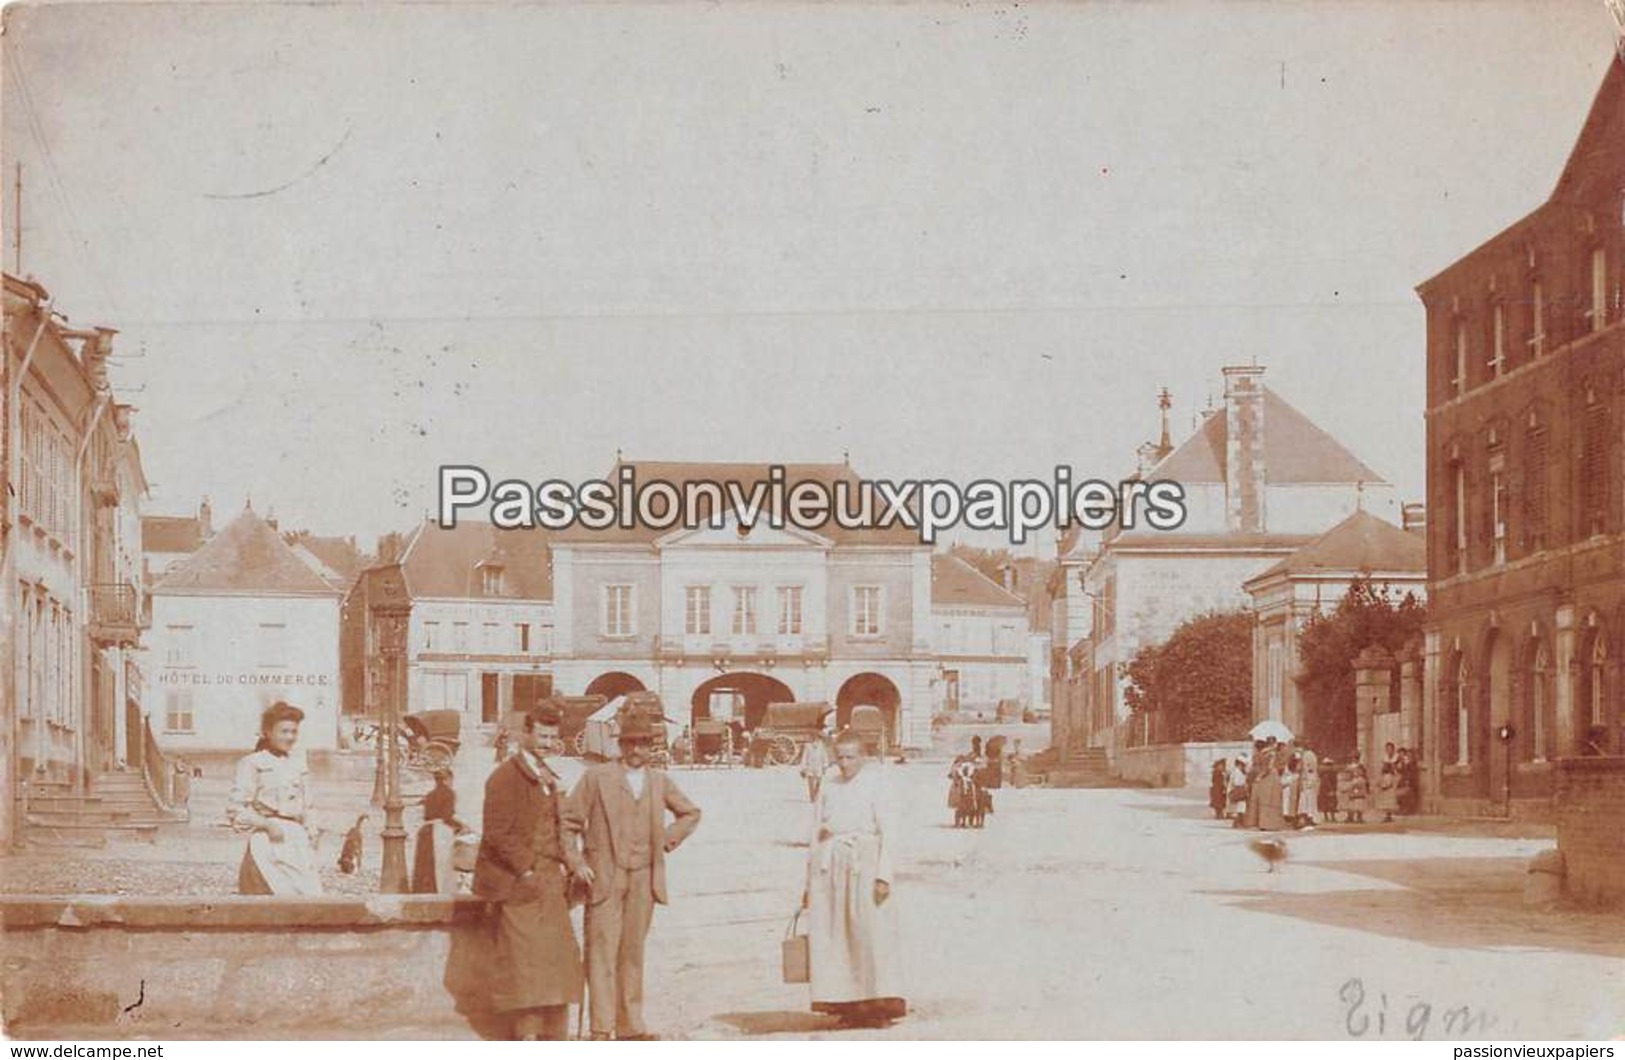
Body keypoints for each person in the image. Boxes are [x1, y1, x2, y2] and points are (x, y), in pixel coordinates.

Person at [562, 713, 702, 1041]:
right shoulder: (596, 777)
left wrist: (666, 839)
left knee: (632, 952)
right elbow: (567, 822)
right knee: (601, 952)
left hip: (643, 878)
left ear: (652, 747)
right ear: (620, 745)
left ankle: (630, 1026)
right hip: (605, 877)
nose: (637, 749)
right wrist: (576, 861)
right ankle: (601, 1027)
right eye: (630, 742)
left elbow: (690, 812)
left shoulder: (658, 781)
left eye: (643, 743)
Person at [473, 704, 585, 1041]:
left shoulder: (547, 776)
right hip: (520, 887)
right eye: (542, 735)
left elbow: (560, 826)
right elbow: (497, 832)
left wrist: (574, 864)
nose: (548, 743)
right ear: (526, 734)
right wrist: (526, 871)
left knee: (557, 965)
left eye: (553, 737)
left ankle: (555, 1039)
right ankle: (527, 1039)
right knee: (525, 971)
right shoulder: (505, 777)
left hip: (551, 886)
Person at [803, 730, 905, 1028]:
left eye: (850, 757)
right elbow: (816, 829)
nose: (844, 764)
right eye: (840, 757)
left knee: (869, 932)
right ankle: (845, 1004)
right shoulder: (828, 784)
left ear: (863, 756)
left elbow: (891, 831)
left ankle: (877, 1005)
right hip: (830, 864)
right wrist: (808, 879)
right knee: (836, 935)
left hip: (866, 862)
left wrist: (884, 875)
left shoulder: (877, 783)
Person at [228, 702, 322, 896]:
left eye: (294, 732)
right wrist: (268, 826)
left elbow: (308, 805)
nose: (290, 737)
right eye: (284, 731)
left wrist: (312, 833)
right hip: (268, 841)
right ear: (267, 732)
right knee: (271, 898)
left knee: (308, 898)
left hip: (297, 842)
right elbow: (236, 809)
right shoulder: (252, 763)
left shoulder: (298, 765)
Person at [1253, 741, 1284, 831]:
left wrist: (1259, 776)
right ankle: (1273, 823)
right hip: (1273, 776)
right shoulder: (1273, 753)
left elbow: (1268, 768)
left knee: (1265, 800)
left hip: (1268, 777)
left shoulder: (1267, 754)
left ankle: (1265, 823)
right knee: (1273, 800)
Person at [800, 733, 831, 803]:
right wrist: (803, 767)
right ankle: (812, 797)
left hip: (818, 766)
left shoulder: (821, 746)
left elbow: (824, 755)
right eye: (814, 739)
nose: (816, 741)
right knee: (810, 783)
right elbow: (804, 757)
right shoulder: (807, 746)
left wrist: (825, 765)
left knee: (819, 783)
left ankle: (816, 794)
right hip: (810, 765)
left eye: (818, 739)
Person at [1297, 743, 1320, 828]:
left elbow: (1304, 768)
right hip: (1312, 778)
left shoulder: (1305, 755)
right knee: (1311, 799)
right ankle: (1312, 817)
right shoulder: (1313, 755)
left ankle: (1306, 819)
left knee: (1305, 799)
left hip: (1306, 779)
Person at [1226, 756, 1249, 824]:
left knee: (1240, 807)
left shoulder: (1240, 771)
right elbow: (1237, 782)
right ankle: (1238, 822)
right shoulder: (1236, 771)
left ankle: (1239, 822)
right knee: (1239, 807)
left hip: (1239, 790)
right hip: (1238, 790)